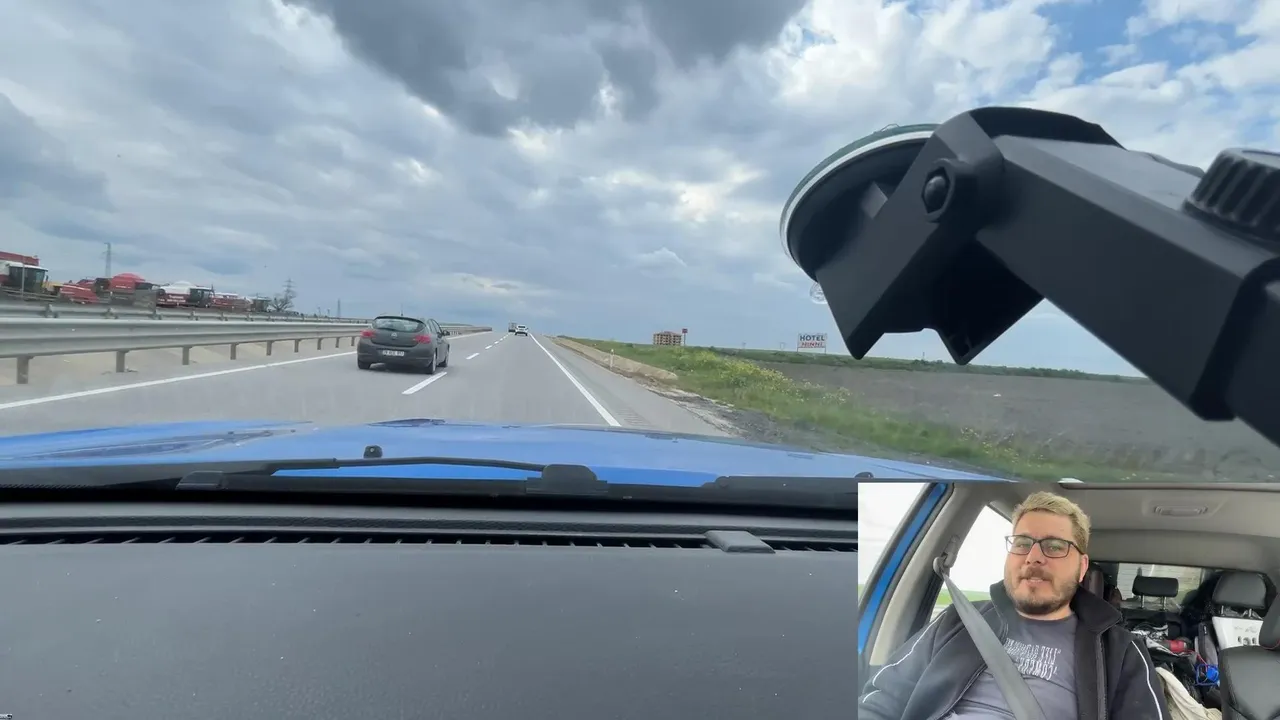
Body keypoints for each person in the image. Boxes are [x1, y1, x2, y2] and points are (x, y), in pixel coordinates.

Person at [859, 490, 1170, 720]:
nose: (1033, 557)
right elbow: (881, 700)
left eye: (1054, 546)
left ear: (1082, 567)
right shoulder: (959, 620)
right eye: (1022, 543)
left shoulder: (1120, 651)